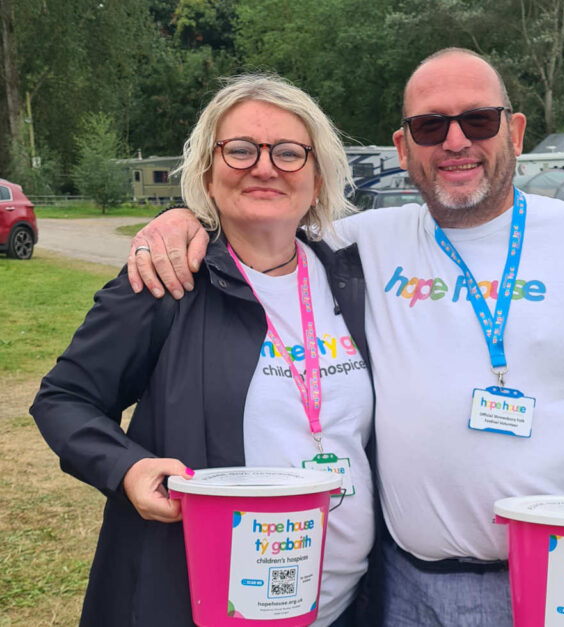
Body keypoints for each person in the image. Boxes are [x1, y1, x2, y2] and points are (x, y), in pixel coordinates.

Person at [126, 48, 564, 626]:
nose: (457, 141)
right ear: (403, 146)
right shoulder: (361, 242)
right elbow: (263, 211)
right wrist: (187, 219)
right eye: (431, 126)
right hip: (403, 588)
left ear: (515, 131)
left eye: (479, 120)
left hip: (559, 587)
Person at [30, 74, 376, 627]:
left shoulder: (353, 279)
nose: (264, 166)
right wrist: (126, 468)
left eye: (289, 152)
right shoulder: (168, 278)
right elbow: (64, 398)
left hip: (343, 605)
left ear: (317, 177)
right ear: (208, 176)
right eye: (239, 150)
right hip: (202, 602)